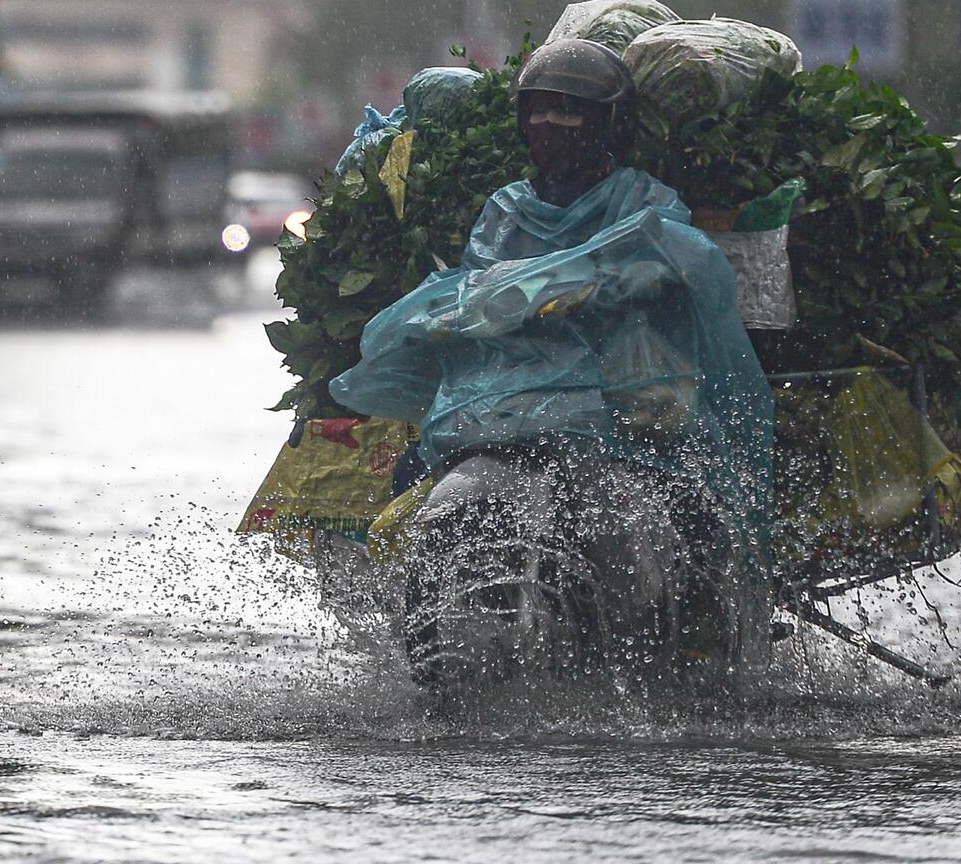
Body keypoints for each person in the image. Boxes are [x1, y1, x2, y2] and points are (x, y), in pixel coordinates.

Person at [328, 37, 777, 653]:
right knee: (424, 493)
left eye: (568, 111)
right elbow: (484, 284)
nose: (549, 126)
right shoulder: (506, 209)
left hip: (622, 408)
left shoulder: (642, 198)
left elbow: (676, 255)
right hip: (506, 407)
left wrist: (603, 281)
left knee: (698, 524)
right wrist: (485, 303)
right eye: (536, 111)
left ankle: (707, 647)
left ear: (608, 124)